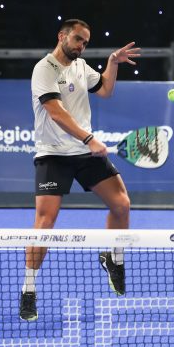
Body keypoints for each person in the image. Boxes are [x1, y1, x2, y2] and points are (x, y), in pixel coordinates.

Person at [19, 19, 141, 321]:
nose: (81, 46)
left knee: (122, 204)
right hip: (53, 154)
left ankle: (114, 259)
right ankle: (29, 290)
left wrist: (113, 63)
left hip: (85, 153)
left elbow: (105, 90)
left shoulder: (81, 66)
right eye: (77, 39)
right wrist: (88, 138)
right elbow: (56, 112)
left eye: (85, 42)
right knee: (45, 223)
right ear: (62, 36)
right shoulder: (44, 69)